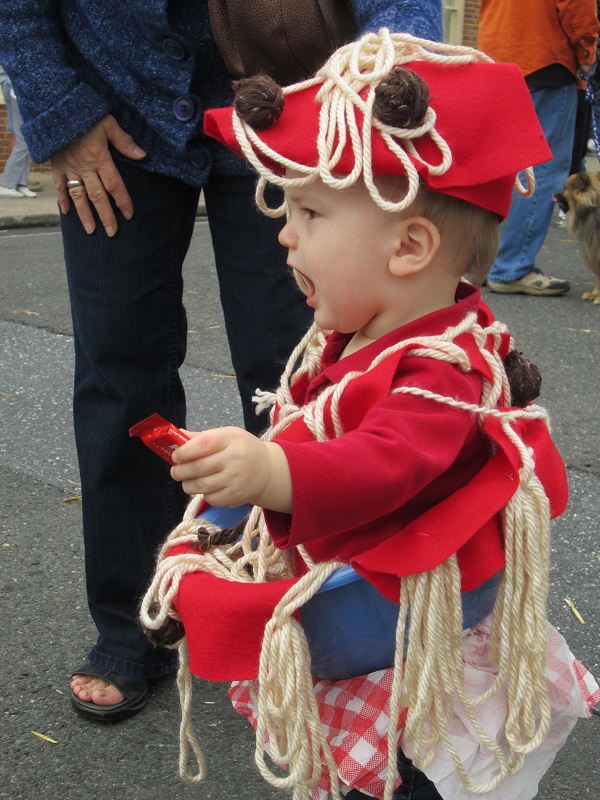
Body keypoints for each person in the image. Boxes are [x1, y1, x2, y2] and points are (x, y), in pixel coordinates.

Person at [141, 31, 599, 800]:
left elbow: (384, 460)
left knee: (400, 779)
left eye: (310, 212)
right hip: (370, 606)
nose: (284, 232)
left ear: (410, 246)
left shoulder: (444, 368)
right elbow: (325, 422)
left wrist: (271, 470)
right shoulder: (379, 329)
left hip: (408, 634)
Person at [0, 2, 443, 722]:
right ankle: (139, 620)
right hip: (111, 109)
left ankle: (301, 617)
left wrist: (375, 81)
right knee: (119, 373)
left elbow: (403, 10)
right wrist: (59, 108)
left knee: (300, 374)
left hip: (294, 102)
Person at [478, 0, 599, 296]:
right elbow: (576, 5)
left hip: (497, 53)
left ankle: (483, 262)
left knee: (501, 166)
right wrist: (588, 50)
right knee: (541, 168)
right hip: (545, 57)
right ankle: (512, 267)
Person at [0, 67, 37, 198]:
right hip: (17, 90)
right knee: (23, 142)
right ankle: (6, 185)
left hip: (16, 88)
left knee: (26, 141)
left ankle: (20, 184)